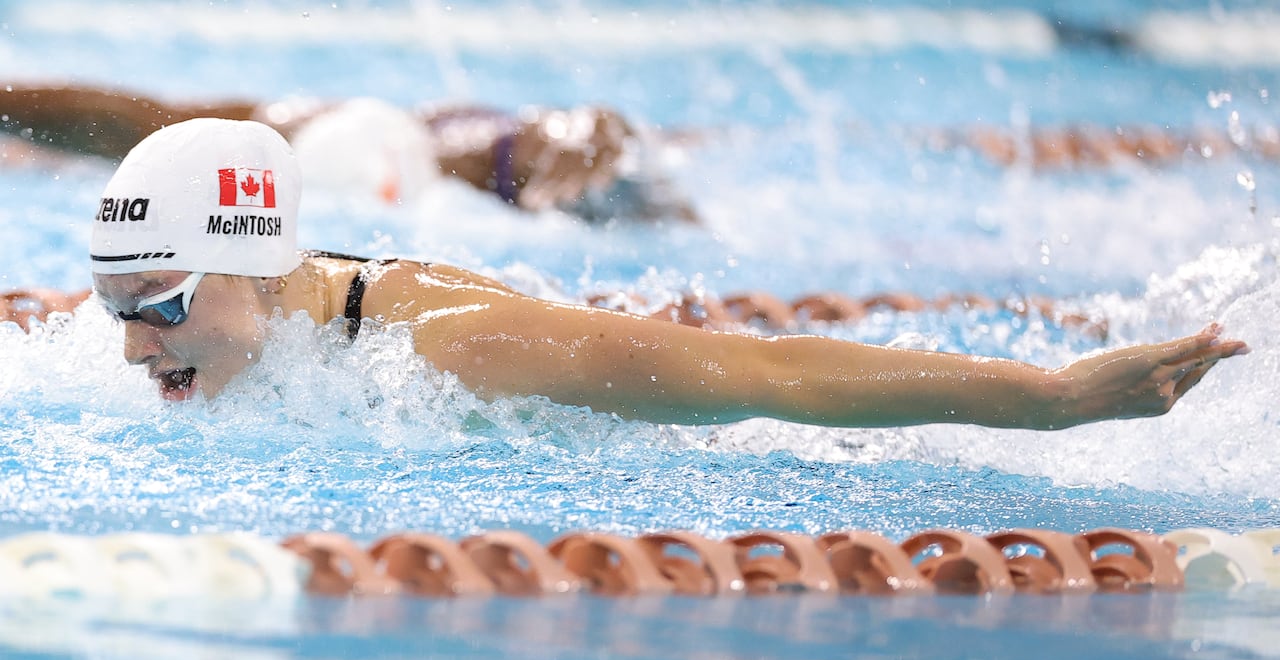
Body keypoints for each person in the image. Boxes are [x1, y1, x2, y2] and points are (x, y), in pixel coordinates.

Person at [88, 118, 1245, 427]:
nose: (134, 346)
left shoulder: (447, 348)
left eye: (161, 308)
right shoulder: (261, 329)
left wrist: (1050, 402)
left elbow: (771, 374)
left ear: (255, 264)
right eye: (117, 308)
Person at [0, 83, 696, 222]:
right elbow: (595, 127)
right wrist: (592, 133)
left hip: (361, 137)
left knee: (152, 125)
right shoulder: (482, 153)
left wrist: (593, 135)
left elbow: (598, 128)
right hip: (367, 137)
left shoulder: (491, 156)